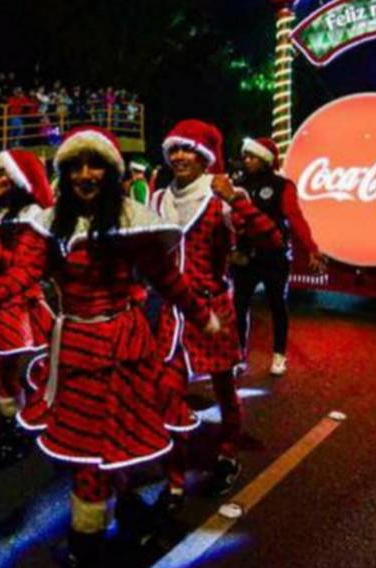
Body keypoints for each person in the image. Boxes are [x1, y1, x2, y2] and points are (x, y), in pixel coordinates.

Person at [0, 126, 218, 566]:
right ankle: (96, 532)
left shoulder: (133, 221)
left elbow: (167, 279)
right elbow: (22, 274)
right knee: (87, 452)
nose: (85, 174)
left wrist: (202, 316)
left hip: (123, 347)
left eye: (94, 164)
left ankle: (92, 540)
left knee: (111, 447)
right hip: (76, 347)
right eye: (74, 165)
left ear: (112, 172)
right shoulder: (48, 222)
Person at [150, 120, 283, 505]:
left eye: (188, 149)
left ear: (205, 157)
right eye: (174, 149)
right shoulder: (158, 198)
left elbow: (272, 239)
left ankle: (227, 453)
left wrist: (237, 199)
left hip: (214, 310)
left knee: (224, 387)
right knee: (167, 393)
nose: (179, 156)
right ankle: (173, 480)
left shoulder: (222, 194)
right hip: (171, 314)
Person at [232, 136, 325, 376]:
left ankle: (279, 355)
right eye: (246, 156)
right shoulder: (238, 182)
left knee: (277, 306)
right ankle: (238, 355)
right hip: (245, 256)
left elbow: (295, 218)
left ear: (265, 160)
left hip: (274, 256)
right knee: (239, 307)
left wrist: (312, 249)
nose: (247, 161)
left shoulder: (282, 185)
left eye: (252, 157)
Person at [0, 149, 55, 469]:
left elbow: (25, 269)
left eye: (2, 173)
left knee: (8, 372)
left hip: (15, 305)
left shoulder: (32, 215)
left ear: (17, 180)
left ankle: (16, 432)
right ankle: (5, 426)